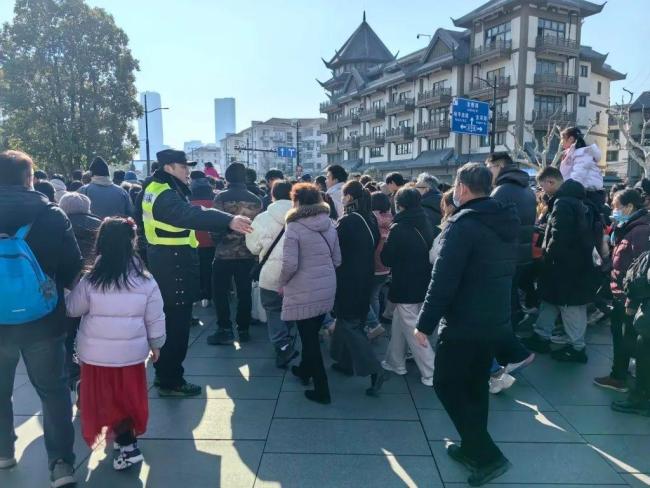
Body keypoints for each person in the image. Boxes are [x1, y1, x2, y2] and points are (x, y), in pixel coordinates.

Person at [415, 163, 519, 486]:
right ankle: (471, 447)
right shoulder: (505, 218)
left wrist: (424, 324)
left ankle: (487, 454)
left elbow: (442, 280)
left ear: (461, 188)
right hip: (494, 318)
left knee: (446, 384)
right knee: (475, 387)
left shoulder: (462, 225)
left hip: (464, 323)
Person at [140, 149, 251, 397]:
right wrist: (228, 220)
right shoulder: (164, 193)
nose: (187, 171)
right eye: (183, 166)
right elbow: (189, 215)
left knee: (171, 322)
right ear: (169, 168)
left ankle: (165, 375)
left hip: (167, 260)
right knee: (177, 326)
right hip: (174, 263)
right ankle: (172, 380)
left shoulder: (154, 188)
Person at [0, 150, 82, 487]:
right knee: (53, 391)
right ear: (29, 177)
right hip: (44, 321)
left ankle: (4, 452)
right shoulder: (52, 214)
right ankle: (60, 464)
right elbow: (73, 267)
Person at [65, 217, 165, 471]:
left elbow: (73, 309)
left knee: (105, 398)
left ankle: (126, 445)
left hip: (96, 355)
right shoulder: (145, 280)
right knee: (127, 397)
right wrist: (156, 343)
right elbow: (155, 316)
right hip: (131, 354)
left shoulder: (91, 279)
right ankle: (126, 442)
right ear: (132, 243)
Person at [522, 177, 599, 363]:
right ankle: (542, 334)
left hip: (563, 267)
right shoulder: (586, 207)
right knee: (552, 302)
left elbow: (558, 235)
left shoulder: (563, 204)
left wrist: (547, 256)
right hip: (577, 265)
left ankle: (576, 348)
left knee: (569, 306)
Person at [279, 183, 341, 404]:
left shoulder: (294, 227)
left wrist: (282, 282)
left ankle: (322, 390)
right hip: (326, 286)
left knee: (309, 339)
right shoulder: (330, 223)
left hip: (303, 289)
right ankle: (305, 371)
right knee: (312, 331)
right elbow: (337, 259)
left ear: (296, 201)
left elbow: (289, 264)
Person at [330, 181, 387, 396]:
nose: (342, 199)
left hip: (348, 280)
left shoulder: (348, 221)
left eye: (344, 195)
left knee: (350, 323)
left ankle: (375, 370)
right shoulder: (369, 218)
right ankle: (343, 362)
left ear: (350, 198)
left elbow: (335, 249)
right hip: (366, 276)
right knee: (351, 321)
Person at [594, 189, 650, 391]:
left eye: (616, 207)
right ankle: (621, 373)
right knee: (622, 335)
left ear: (629, 207)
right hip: (621, 292)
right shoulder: (628, 227)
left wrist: (632, 301)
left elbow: (640, 270)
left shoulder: (640, 231)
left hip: (630, 296)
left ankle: (618, 377)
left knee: (625, 337)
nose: (613, 211)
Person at [381, 187, 436, 386]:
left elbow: (386, 259)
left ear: (400, 204)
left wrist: (387, 242)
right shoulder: (425, 220)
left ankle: (431, 371)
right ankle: (395, 362)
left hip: (405, 284)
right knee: (399, 322)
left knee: (413, 329)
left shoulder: (399, 227)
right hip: (424, 281)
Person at [208, 162, 262, 345]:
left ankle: (224, 328)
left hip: (223, 254)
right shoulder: (256, 199)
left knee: (220, 292)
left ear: (227, 178)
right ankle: (244, 328)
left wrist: (219, 241)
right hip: (247, 254)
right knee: (244, 292)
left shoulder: (221, 198)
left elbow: (214, 226)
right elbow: (257, 228)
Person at [246, 180, 296, 367]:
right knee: (291, 309)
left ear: (272, 195)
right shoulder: (300, 216)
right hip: (295, 273)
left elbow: (253, 247)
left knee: (274, 310)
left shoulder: (262, 218)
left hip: (271, 274)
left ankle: (282, 345)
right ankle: (287, 339)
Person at [58, 192, 102, 387]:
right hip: (96, 282)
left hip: (69, 284)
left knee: (67, 331)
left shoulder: (58, 224)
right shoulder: (99, 224)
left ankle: (71, 370)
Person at [365, 191, 393, 340]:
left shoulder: (371, 219)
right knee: (375, 296)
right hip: (385, 266)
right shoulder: (392, 219)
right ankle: (374, 326)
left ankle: (373, 324)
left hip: (372, 264)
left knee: (366, 296)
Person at [189, 170, 216, 308]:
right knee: (209, 268)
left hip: (193, 238)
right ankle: (208, 295)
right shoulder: (214, 195)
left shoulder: (186, 195)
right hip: (211, 238)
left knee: (194, 268)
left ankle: (196, 296)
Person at [559, 127, 604, 191]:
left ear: (571, 139)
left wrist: (566, 188)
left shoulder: (582, 153)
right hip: (581, 189)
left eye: (562, 139)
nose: (561, 142)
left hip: (588, 191)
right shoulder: (572, 153)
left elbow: (578, 175)